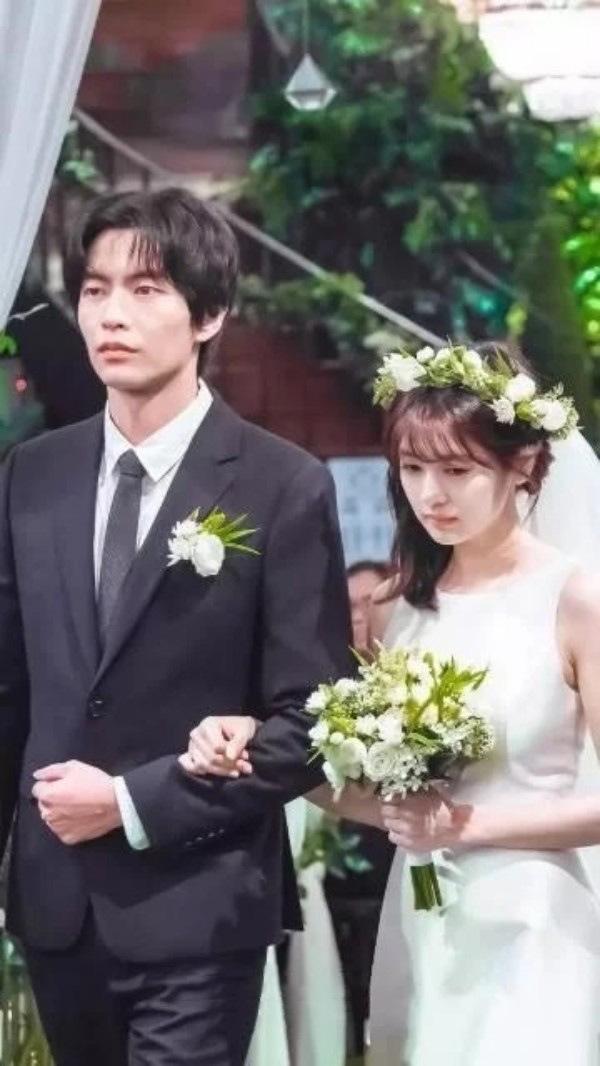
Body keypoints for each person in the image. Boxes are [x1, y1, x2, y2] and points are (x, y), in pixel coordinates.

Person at [0, 187, 353, 1066]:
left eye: (146, 289)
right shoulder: (31, 474)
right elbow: (10, 687)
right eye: (95, 288)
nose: (111, 314)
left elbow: (313, 722)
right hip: (57, 906)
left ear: (209, 314)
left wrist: (130, 802)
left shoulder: (282, 484)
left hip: (201, 906)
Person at [188, 343, 600, 1066]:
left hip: (536, 924)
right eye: (412, 469)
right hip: (424, 917)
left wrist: (466, 824)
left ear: (525, 464)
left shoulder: (575, 600)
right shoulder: (395, 609)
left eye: (457, 470)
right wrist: (261, 744)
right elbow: (355, 784)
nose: (431, 494)